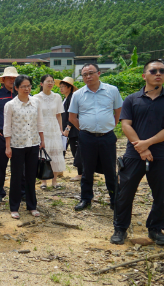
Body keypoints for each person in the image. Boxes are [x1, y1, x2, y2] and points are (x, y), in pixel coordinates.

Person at [111, 59, 164, 245]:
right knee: (124, 193)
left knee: (161, 194)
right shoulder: (132, 99)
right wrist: (140, 148)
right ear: (144, 76)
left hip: (161, 155)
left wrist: (147, 144)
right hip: (133, 155)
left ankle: (156, 229)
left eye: (162, 70)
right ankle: (120, 228)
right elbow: (126, 125)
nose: (158, 73)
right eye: (153, 71)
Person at [69, 64, 123, 211]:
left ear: (99, 73)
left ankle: (114, 199)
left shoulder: (112, 90)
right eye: (85, 74)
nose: (88, 76)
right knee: (87, 169)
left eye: (91, 73)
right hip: (87, 138)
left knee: (110, 169)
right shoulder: (78, 94)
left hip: (107, 137)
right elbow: (72, 117)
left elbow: (118, 110)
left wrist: (112, 124)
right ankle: (86, 199)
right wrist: (85, 129)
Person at [3, 75, 44, 219]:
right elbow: (7, 127)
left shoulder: (36, 102)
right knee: (16, 176)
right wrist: (8, 146)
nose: (27, 89)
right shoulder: (10, 105)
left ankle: (32, 205)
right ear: (16, 88)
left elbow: (40, 122)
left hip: (33, 143)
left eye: (29, 86)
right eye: (23, 87)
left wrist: (42, 140)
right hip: (17, 145)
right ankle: (14, 207)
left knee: (31, 176)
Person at [0, 66, 24, 203]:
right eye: (9, 78)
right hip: (1, 135)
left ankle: (20, 191)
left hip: (19, 135)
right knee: (0, 165)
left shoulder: (22, 94)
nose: (12, 80)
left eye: (14, 78)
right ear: (4, 79)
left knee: (19, 165)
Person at [34, 74, 65, 189]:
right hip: (41, 128)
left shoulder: (57, 97)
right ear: (42, 84)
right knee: (43, 153)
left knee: (55, 152)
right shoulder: (36, 98)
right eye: (48, 81)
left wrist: (61, 129)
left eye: (52, 81)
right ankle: (43, 181)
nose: (50, 83)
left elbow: (59, 115)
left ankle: (55, 181)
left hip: (54, 127)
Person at [57, 77, 82, 181]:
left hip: (72, 129)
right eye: (60, 87)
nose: (61, 89)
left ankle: (81, 173)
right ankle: (59, 170)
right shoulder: (66, 98)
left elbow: (72, 114)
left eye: (63, 87)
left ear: (69, 88)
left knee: (76, 151)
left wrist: (68, 127)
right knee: (62, 149)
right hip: (66, 129)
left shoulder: (72, 98)